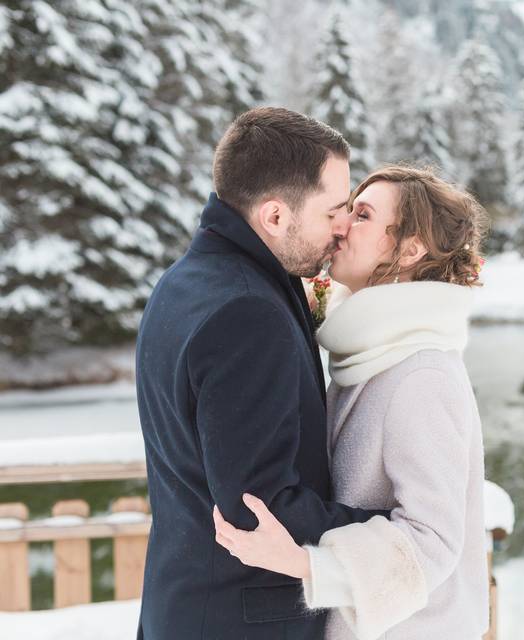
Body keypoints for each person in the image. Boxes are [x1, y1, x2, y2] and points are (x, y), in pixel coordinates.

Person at [135, 107, 389, 639]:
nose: (343, 227)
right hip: (240, 622)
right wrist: (389, 531)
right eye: (333, 211)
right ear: (275, 216)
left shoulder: (184, 282)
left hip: (185, 606)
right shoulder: (247, 312)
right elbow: (259, 506)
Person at [213, 165, 491, 640]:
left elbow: (434, 539)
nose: (341, 225)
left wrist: (305, 562)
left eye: (362, 215)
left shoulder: (421, 374)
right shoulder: (369, 354)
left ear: (410, 248)